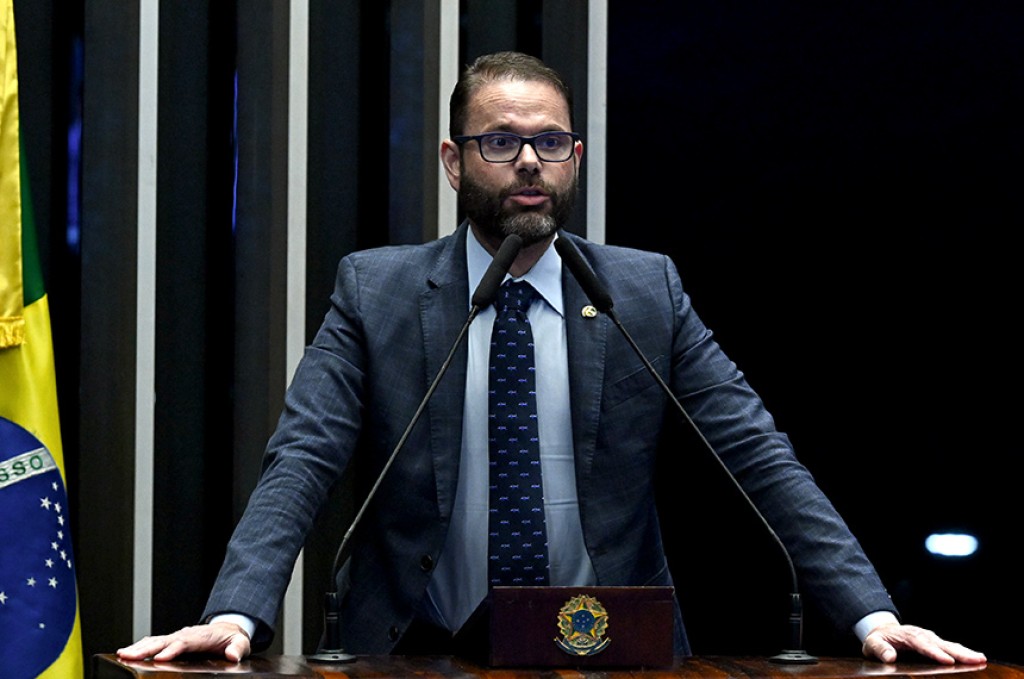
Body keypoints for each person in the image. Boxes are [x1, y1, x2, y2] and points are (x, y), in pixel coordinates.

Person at [117, 51, 985, 666]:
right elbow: (302, 457)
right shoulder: (377, 291)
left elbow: (759, 455)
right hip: (414, 648)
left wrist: (871, 613)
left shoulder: (644, 290)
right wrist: (237, 611)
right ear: (454, 161)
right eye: (500, 142)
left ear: (576, 156)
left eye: (551, 141)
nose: (530, 162)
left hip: (610, 647)